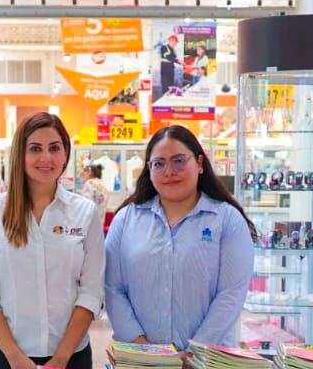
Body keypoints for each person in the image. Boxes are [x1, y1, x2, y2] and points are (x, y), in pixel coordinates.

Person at [0, 112, 104, 369]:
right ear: (20, 154)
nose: (46, 158)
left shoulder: (85, 213)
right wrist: (15, 357)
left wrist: (61, 360)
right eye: (35, 149)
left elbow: (91, 292)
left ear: (65, 154)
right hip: (7, 361)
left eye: (54, 148)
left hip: (71, 358)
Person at [104, 124, 257, 352]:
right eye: (159, 164)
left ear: (200, 164)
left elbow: (231, 295)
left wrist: (193, 354)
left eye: (179, 161)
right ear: (149, 170)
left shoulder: (227, 220)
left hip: (207, 362)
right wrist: (145, 351)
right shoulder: (125, 220)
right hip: (140, 363)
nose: (169, 172)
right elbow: (112, 288)